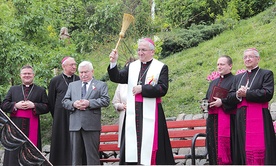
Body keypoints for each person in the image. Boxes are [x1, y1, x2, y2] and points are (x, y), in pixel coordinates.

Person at [108, 37, 175, 165]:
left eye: (143, 50)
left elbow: (162, 88)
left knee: (152, 145)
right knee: (132, 146)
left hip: (152, 113)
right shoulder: (132, 67)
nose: (140, 53)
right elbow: (117, 77)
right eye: (138, 50)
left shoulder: (160, 67)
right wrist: (113, 63)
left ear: (152, 52)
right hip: (134, 113)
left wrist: (143, 89)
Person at [227, 48, 276, 165]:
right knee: (243, 147)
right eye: (245, 57)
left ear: (258, 59)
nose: (247, 59)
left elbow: (267, 93)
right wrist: (238, 94)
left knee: (262, 146)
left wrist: (247, 93)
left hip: (260, 116)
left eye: (251, 57)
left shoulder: (266, 74)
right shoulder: (238, 78)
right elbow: (229, 96)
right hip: (241, 118)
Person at [62, 60, 110, 165]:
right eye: (81, 72)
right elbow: (65, 102)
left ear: (92, 71)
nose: (83, 75)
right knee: (75, 156)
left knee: (92, 155)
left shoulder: (101, 85)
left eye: (86, 72)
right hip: (75, 125)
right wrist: (74, 104)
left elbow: (106, 100)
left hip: (92, 125)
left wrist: (89, 103)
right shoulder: (72, 85)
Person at [1, 65, 49, 166]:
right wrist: (15, 105)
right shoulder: (13, 89)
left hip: (32, 125)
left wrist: (34, 105)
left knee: (31, 150)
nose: (27, 75)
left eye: (29, 73)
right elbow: (4, 105)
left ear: (33, 75)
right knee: (14, 150)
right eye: (24, 73)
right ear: (20, 75)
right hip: (15, 127)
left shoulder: (40, 90)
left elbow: (46, 107)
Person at [204, 55, 236, 165]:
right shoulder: (213, 82)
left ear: (230, 66)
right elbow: (207, 96)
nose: (219, 67)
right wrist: (205, 103)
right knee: (213, 146)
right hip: (212, 120)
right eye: (218, 64)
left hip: (228, 120)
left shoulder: (235, 80)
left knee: (228, 149)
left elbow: (235, 98)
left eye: (222, 64)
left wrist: (222, 102)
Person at [48, 56, 79, 165]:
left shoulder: (79, 79)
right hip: (60, 117)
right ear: (64, 66)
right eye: (72, 65)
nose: (74, 67)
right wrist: (56, 115)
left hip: (76, 114)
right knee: (60, 140)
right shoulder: (55, 80)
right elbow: (51, 101)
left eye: (75, 64)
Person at [112, 57, 136, 148]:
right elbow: (115, 102)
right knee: (126, 145)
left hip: (138, 116)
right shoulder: (121, 84)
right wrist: (120, 106)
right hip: (125, 117)